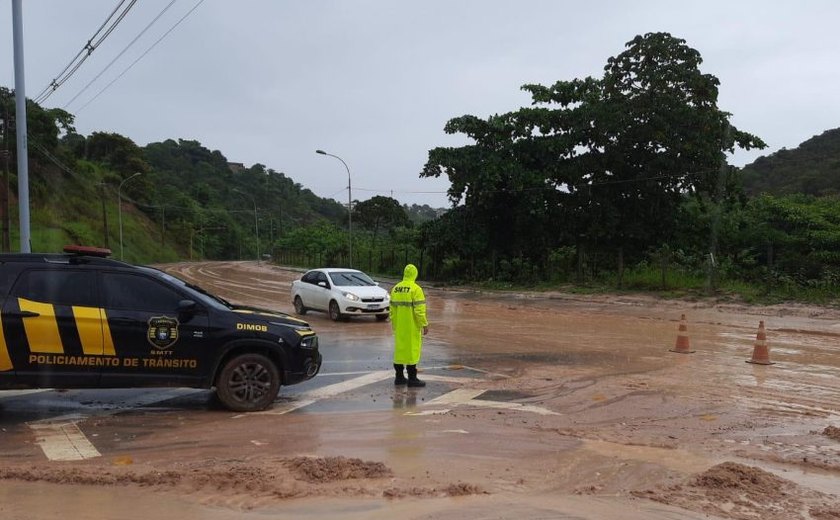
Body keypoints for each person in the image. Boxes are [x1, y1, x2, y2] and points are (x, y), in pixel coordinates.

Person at [390, 263, 429, 387]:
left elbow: (392, 311)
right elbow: (419, 311)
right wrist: (424, 324)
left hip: (399, 326)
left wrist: (395, 325)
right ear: (415, 274)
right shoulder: (416, 289)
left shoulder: (396, 288)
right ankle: (412, 378)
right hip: (412, 327)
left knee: (399, 351)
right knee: (412, 351)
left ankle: (399, 377)